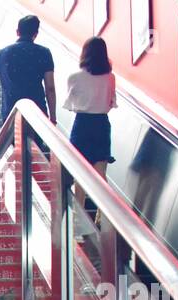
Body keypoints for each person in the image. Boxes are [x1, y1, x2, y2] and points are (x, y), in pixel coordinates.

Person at [0, 15, 56, 128]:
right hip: (37, 112)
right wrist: (53, 118)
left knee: (14, 142)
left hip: (11, 111)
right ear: (36, 34)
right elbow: (50, 88)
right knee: (35, 144)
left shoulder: (3, 53)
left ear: (17, 32)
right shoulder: (44, 53)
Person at [64, 36, 117, 218]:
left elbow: (70, 105)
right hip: (102, 124)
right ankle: (104, 216)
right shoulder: (110, 78)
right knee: (101, 173)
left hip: (83, 124)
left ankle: (79, 219)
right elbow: (111, 103)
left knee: (80, 174)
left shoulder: (74, 78)